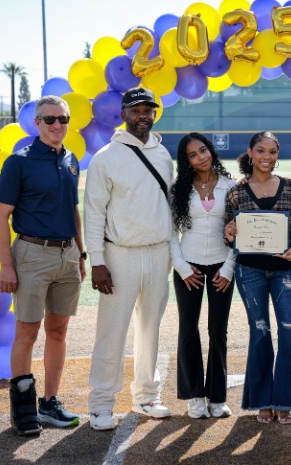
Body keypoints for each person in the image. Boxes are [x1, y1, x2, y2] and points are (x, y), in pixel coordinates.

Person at [0, 95, 84, 436]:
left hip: (67, 255)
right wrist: (6, 266)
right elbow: (0, 216)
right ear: (37, 123)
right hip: (31, 254)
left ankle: (49, 403)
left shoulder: (71, 160)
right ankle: (23, 411)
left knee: (58, 331)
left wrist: (81, 254)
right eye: (50, 119)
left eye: (63, 119)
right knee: (28, 332)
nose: (57, 125)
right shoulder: (18, 162)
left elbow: (73, 210)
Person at [84, 87, 174, 431]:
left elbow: (169, 206)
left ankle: (147, 395)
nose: (142, 116)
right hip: (119, 255)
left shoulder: (163, 154)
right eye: (136, 111)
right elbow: (93, 212)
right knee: (112, 331)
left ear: (154, 114)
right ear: (123, 114)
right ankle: (101, 403)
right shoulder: (106, 157)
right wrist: (97, 261)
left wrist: (171, 253)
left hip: (158, 252)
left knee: (150, 329)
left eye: (148, 110)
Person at [224, 131, 291, 424]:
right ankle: (261, 400)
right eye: (260, 150)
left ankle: (284, 400)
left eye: (272, 152)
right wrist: (229, 233)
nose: (266, 157)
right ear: (250, 153)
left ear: (277, 155)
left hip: (287, 270)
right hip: (250, 271)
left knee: (290, 331)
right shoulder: (236, 192)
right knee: (259, 332)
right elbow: (227, 230)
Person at [169, 133, 237, 419]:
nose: (201, 157)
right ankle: (194, 395)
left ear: (211, 150)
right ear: (187, 162)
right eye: (193, 155)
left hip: (222, 265)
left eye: (203, 150)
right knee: (188, 329)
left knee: (218, 330)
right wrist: (183, 268)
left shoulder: (230, 186)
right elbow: (170, 233)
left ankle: (217, 398)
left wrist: (229, 268)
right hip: (190, 266)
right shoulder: (178, 190)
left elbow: (239, 230)